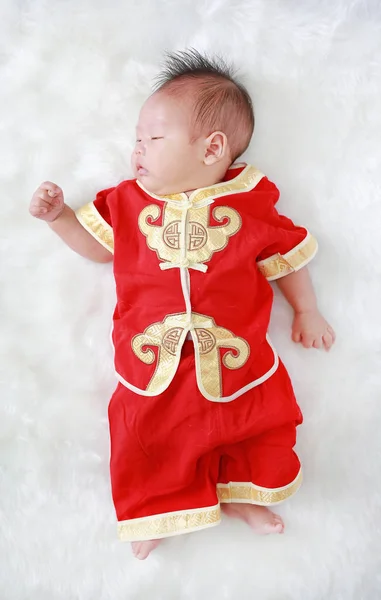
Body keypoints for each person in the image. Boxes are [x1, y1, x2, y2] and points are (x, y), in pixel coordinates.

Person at [29, 49, 335, 560]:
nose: (138, 150)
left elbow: (285, 257)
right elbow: (98, 248)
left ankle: (242, 496)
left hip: (238, 361)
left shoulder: (250, 201)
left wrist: (306, 310)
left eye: (153, 138)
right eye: (136, 139)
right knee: (144, 436)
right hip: (153, 364)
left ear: (212, 148)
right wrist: (60, 217)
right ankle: (156, 510)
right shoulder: (126, 203)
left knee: (258, 426)